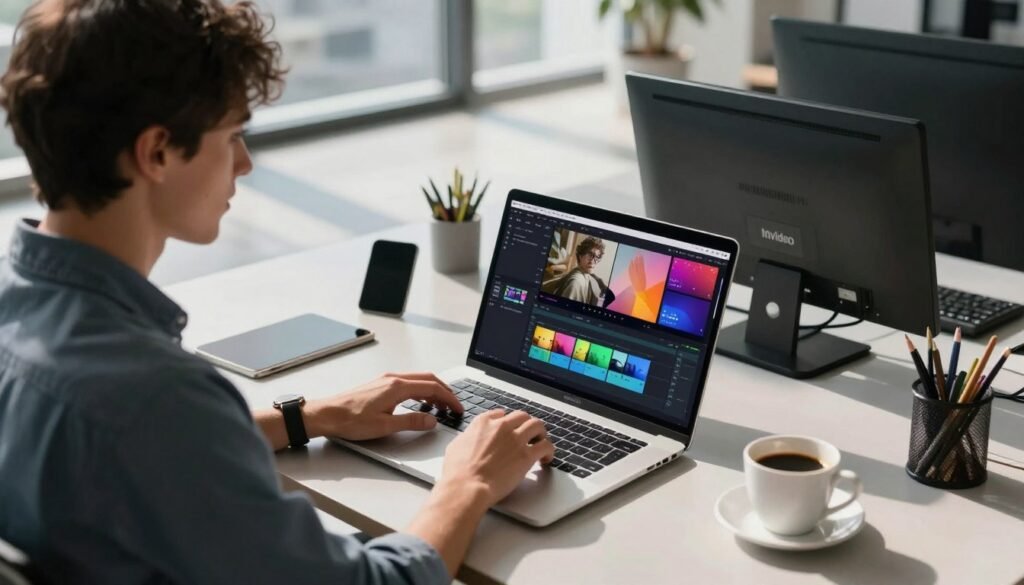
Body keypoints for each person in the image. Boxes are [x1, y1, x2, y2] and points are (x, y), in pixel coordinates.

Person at [0, 1, 553, 584]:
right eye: (233, 134)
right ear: (156, 151)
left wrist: (307, 417)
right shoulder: (156, 398)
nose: (244, 162)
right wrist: (469, 482)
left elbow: (136, 449)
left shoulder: (20, 306)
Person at [546, 236, 613, 306]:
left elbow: (611, 297)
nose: (593, 261)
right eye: (590, 255)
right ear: (580, 255)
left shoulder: (586, 275)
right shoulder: (576, 282)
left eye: (597, 257)